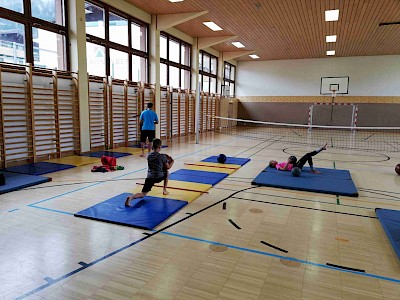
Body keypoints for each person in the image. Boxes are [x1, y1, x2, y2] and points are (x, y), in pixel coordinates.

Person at [125, 138, 174, 207]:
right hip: (158, 177)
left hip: (149, 177)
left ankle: (131, 197)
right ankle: (164, 190)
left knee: (142, 194)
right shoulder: (162, 156)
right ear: (159, 147)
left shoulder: (149, 156)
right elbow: (168, 167)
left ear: (152, 147)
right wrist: (172, 161)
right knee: (167, 172)